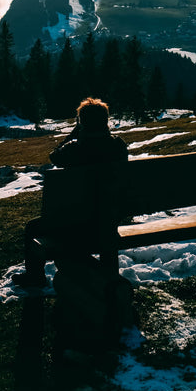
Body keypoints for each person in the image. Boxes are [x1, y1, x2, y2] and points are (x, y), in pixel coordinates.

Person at [21, 98, 128, 286]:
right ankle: (108, 276)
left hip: (74, 223)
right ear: (105, 121)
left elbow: (54, 156)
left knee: (32, 228)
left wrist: (73, 135)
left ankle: (35, 278)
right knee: (103, 226)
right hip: (108, 220)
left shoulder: (73, 150)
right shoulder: (118, 146)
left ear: (81, 123)